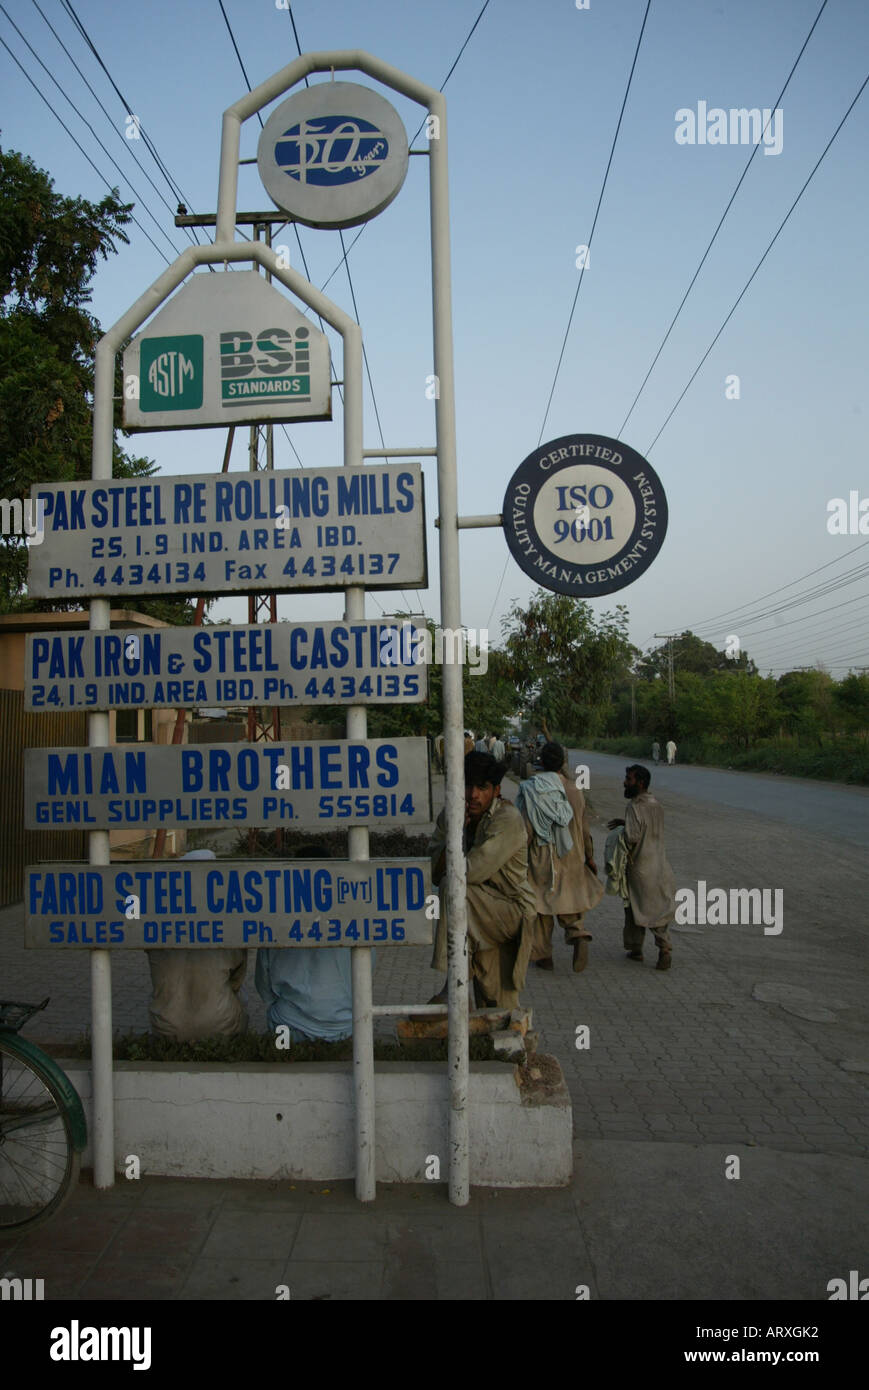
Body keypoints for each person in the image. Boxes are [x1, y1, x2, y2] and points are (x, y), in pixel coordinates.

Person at [428, 751, 536, 1009]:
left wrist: (458, 837)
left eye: (482, 787)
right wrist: (454, 832)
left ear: (496, 790)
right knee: (496, 1007)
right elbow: (432, 869)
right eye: (466, 785)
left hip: (509, 911)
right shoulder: (450, 815)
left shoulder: (506, 819)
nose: (472, 794)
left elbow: (470, 872)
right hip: (476, 912)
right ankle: (459, 985)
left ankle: (452, 986)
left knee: (454, 889)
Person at [255, 847, 359, 1043]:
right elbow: (365, 972)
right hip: (345, 1028)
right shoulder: (352, 919)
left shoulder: (276, 919)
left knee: (281, 1044)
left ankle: (282, 1056)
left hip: (289, 1026)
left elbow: (263, 984)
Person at [517, 742, 603, 973]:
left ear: (541, 761)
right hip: (572, 854)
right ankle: (578, 934)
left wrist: (518, 857)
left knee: (541, 905)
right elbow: (584, 828)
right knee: (569, 901)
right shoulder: (575, 790)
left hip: (541, 855)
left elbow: (526, 827)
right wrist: (590, 856)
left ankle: (543, 955)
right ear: (563, 762)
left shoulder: (533, 789)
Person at [146, 850, 248, 1039]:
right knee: (241, 998)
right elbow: (237, 980)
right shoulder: (227, 924)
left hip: (166, 1028)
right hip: (221, 1026)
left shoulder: (158, 923)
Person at [607, 765, 676, 971]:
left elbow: (633, 837)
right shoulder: (656, 804)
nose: (625, 783)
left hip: (640, 868)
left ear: (640, 783)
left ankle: (646, 949)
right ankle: (653, 948)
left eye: (628, 779)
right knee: (655, 911)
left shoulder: (634, 807)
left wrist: (619, 835)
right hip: (660, 866)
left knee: (636, 908)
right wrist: (625, 822)